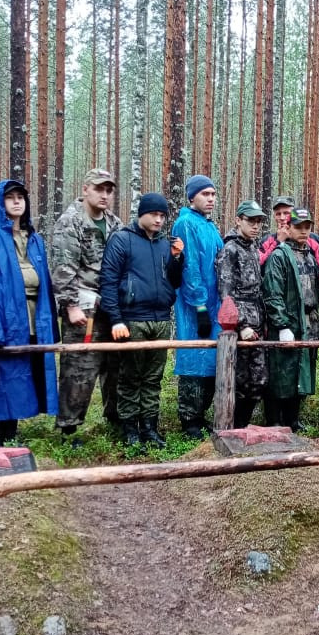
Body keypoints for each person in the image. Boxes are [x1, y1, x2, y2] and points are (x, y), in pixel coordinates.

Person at [0, 180, 59, 445]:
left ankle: (8, 435)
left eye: (21, 197)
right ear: (0, 203)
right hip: (0, 322)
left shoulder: (35, 239)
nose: (17, 202)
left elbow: (46, 284)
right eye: (10, 198)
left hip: (30, 319)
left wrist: (50, 327)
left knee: (20, 375)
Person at [99, 192, 184, 448]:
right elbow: (109, 282)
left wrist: (178, 258)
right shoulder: (122, 240)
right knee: (129, 376)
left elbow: (175, 281)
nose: (158, 220)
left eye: (162, 216)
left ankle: (149, 427)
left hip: (160, 319)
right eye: (154, 215)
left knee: (152, 377)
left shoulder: (164, 244)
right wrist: (115, 319)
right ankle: (129, 429)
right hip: (132, 319)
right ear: (142, 214)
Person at [50, 167, 122, 443]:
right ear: (86, 190)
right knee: (79, 367)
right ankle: (69, 427)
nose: (104, 195)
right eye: (99, 189)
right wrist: (70, 305)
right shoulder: (71, 222)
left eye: (108, 190)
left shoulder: (114, 223)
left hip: (111, 305)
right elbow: (63, 266)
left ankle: (114, 418)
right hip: (84, 305)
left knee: (114, 366)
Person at [172, 174, 224, 439]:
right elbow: (190, 267)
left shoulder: (210, 226)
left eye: (213, 194)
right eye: (205, 194)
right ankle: (189, 418)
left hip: (215, 306)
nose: (211, 199)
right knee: (193, 357)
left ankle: (202, 414)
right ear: (192, 197)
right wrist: (200, 306)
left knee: (211, 360)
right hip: (196, 308)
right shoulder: (185, 224)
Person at [262, 206, 319, 429]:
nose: (304, 231)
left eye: (307, 227)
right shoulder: (279, 255)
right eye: (299, 226)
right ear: (287, 227)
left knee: (302, 371)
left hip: (309, 322)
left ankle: (293, 420)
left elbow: (318, 289)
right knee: (281, 374)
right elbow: (272, 293)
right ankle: (274, 421)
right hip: (288, 323)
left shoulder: (311, 256)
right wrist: (281, 324)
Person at [216, 200, 269, 427]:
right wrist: (242, 325)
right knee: (239, 379)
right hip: (240, 326)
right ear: (238, 220)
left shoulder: (254, 250)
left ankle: (244, 425)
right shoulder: (230, 250)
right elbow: (226, 294)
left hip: (258, 321)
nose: (255, 226)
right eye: (251, 221)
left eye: (259, 222)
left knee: (259, 379)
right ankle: (233, 427)